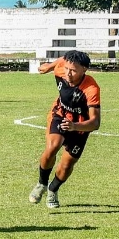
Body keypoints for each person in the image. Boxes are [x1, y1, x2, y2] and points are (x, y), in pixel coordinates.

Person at [29, 49, 100, 210]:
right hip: (60, 114)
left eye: (73, 70)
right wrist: (49, 66)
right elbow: (63, 59)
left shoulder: (91, 89)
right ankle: (41, 183)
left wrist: (74, 126)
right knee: (52, 147)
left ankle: (53, 189)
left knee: (67, 165)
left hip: (80, 125)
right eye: (66, 68)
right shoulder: (62, 68)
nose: (68, 73)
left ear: (84, 69)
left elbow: (95, 123)